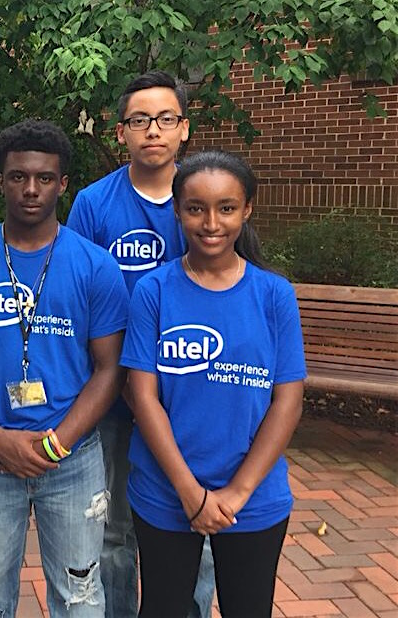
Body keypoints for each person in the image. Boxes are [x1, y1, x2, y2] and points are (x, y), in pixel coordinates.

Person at [120, 150, 305, 617]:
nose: (211, 223)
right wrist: (190, 492)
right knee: (163, 607)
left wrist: (237, 493)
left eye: (226, 208)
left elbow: (287, 401)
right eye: (195, 208)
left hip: (254, 498)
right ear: (178, 211)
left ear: (247, 210)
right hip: (166, 495)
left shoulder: (274, 294)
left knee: (248, 608)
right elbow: (143, 397)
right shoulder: (154, 292)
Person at [0, 120, 129, 617]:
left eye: (44, 178)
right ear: (1, 181)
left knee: (79, 598)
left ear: (62, 184)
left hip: (72, 460)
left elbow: (109, 369)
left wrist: (57, 443)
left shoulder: (96, 266)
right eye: (18, 177)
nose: (31, 189)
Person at [65, 70, 215, 618]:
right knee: (112, 529)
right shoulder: (93, 204)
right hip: (112, 393)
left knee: (192, 514)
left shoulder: (207, 196)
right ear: (121, 132)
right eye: (139, 120)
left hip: (190, 389)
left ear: (184, 129)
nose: (153, 129)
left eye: (165, 119)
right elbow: (77, 298)